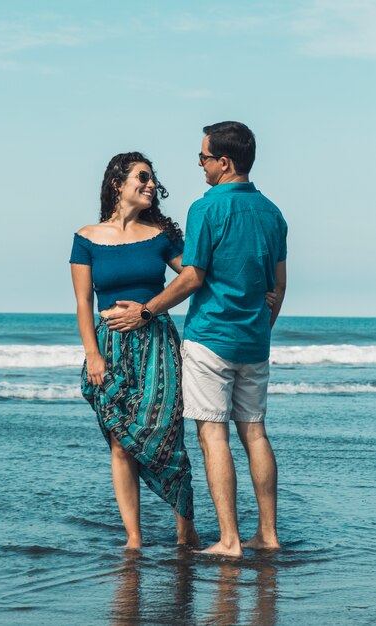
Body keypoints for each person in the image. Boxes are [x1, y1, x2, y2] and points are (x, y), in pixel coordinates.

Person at [106, 122, 288, 558]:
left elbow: (192, 277)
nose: (201, 165)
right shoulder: (273, 213)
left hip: (211, 339)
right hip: (254, 342)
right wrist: (262, 327)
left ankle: (228, 541)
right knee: (256, 435)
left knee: (213, 437)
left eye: (204, 158)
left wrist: (146, 310)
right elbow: (278, 286)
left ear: (224, 162)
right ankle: (268, 535)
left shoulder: (206, 208)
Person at [70, 151, 199, 550]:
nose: (150, 185)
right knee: (120, 441)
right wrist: (93, 354)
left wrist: (149, 311)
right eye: (141, 178)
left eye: (151, 179)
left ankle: (185, 530)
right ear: (117, 183)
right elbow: (82, 303)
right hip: (108, 343)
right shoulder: (86, 238)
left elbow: (193, 277)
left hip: (157, 344)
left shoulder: (161, 235)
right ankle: (134, 538)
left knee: (167, 437)